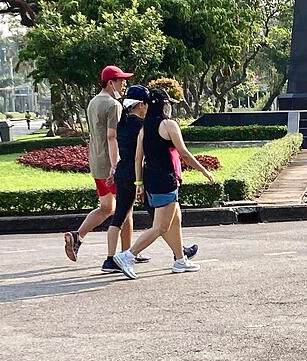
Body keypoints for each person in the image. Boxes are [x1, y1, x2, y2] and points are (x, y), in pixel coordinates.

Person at [113, 88, 214, 279]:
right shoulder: (169, 125)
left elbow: (138, 159)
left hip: (151, 178)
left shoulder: (145, 128)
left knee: (176, 219)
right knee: (160, 227)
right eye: (167, 103)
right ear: (162, 105)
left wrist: (139, 183)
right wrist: (203, 170)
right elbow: (183, 153)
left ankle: (179, 259)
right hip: (165, 180)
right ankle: (128, 255)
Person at [62, 65, 131, 262]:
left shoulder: (93, 102)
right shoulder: (113, 105)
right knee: (126, 208)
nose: (124, 84)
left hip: (96, 160)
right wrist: (115, 164)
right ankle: (128, 253)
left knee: (106, 207)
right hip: (110, 162)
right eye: (121, 80)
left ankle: (77, 236)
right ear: (111, 83)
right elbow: (112, 136)